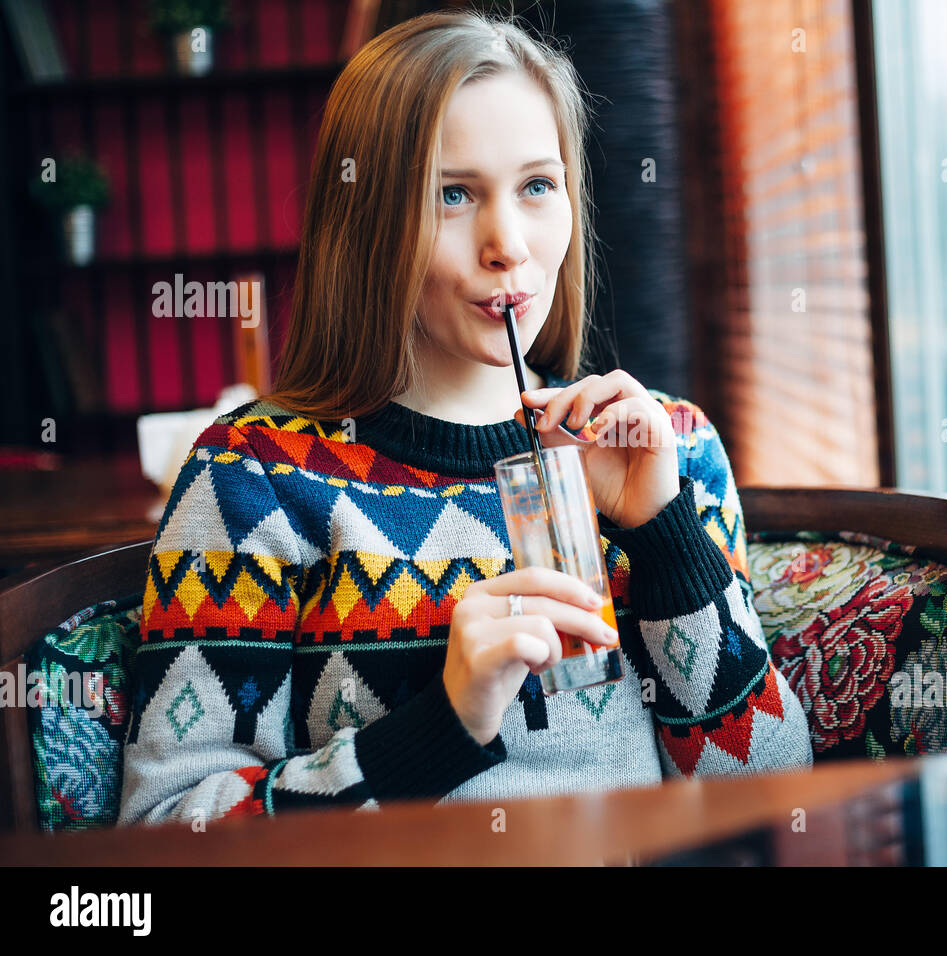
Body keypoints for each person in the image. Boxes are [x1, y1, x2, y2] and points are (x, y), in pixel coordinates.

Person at [117, 10, 812, 826]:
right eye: (453, 194)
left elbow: (774, 797)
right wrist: (443, 726)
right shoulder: (257, 477)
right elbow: (166, 832)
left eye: (537, 186)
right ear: (369, 221)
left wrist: (663, 534)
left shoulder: (671, 446)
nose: (508, 244)